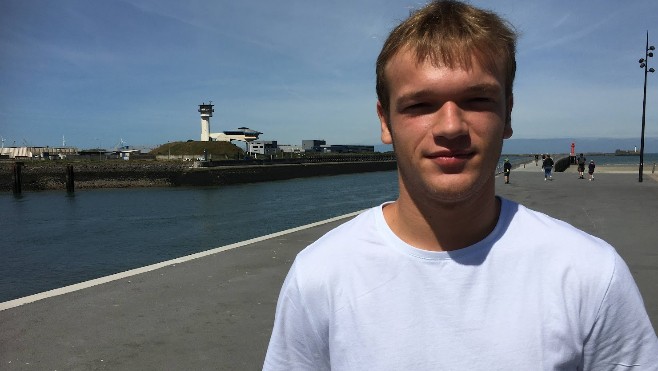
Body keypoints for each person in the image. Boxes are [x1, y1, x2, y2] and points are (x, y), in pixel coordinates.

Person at [264, 1, 658, 369]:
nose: (451, 126)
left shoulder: (591, 274)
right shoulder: (319, 276)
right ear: (385, 122)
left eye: (477, 100)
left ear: (507, 115)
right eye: (419, 105)